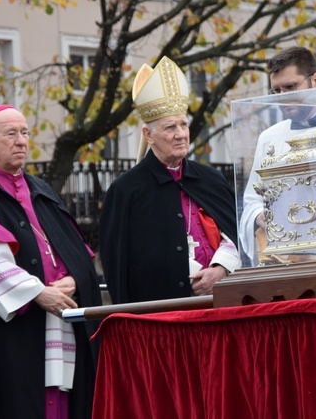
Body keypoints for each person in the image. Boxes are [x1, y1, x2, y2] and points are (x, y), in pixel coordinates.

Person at [0, 104, 102, 418]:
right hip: (10, 340)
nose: (22, 141)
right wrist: (39, 293)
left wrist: (74, 279)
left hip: (57, 325)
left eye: (25, 133)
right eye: (11, 134)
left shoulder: (42, 190)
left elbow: (77, 251)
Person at [100, 56, 241, 304]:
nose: (180, 135)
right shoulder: (126, 191)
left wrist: (222, 269)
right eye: (169, 128)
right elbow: (119, 266)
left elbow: (237, 234)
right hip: (164, 317)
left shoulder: (211, 179)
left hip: (223, 304)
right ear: (148, 135)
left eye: (183, 125)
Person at [238, 47, 316, 264]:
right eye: (276, 90)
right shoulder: (270, 137)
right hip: (286, 255)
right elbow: (252, 200)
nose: (283, 98)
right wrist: (260, 216)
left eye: (291, 87)